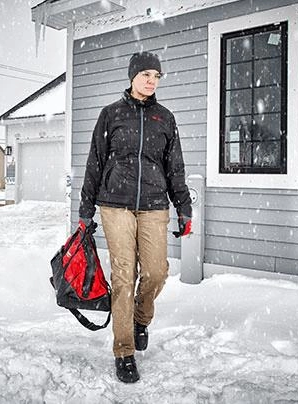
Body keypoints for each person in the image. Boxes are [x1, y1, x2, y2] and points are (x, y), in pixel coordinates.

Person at [79, 51, 192, 383]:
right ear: (132, 77)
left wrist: (184, 208)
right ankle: (124, 351)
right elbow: (95, 162)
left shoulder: (165, 118)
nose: (152, 81)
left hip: (155, 204)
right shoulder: (111, 114)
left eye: (156, 76)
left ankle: (141, 318)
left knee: (156, 272)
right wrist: (85, 210)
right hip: (115, 204)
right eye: (146, 75)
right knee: (124, 276)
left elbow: (175, 167)